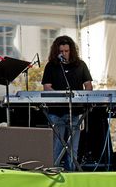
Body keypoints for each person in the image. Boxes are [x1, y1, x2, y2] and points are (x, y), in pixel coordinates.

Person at [41, 35, 93, 171]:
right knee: (57, 145)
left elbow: (88, 85)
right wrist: (61, 97)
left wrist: (84, 98)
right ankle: (55, 171)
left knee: (73, 147)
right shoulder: (51, 66)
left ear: (71, 51)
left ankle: (72, 173)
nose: (64, 54)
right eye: (61, 51)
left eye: (66, 51)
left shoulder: (80, 65)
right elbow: (47, 87)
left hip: (75, 111)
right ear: (56, 51)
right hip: (56, 112)